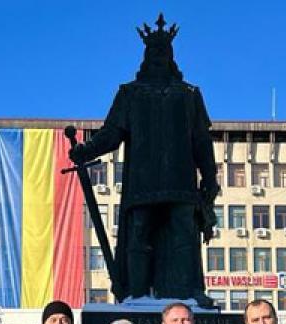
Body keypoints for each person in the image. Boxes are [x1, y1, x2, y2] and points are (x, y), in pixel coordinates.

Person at [66, 14, 219, 305]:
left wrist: (210, 179)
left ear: (170, 56)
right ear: (146, 56)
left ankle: (188, 291)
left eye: (163, 51)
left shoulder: (189, 94)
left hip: (180, 182)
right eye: (153, 51)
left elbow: (202, 141)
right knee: (139, 234)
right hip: (143, 182)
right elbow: (112, 133)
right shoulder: (130, 93)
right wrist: (86, 150)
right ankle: (136, 295)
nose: (159, 56)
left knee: (184, 235)